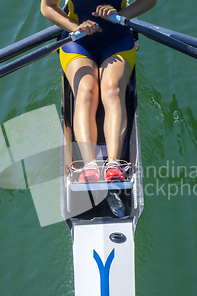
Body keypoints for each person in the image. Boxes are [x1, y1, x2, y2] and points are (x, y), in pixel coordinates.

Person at [41, 0, 156, 181]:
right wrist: (77, 27)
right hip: (78, 39)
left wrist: (121, 15)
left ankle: (114, 164)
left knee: (112, 89)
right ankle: (89, 166)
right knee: (86, 90)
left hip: (117, 38)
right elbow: (47, 6)